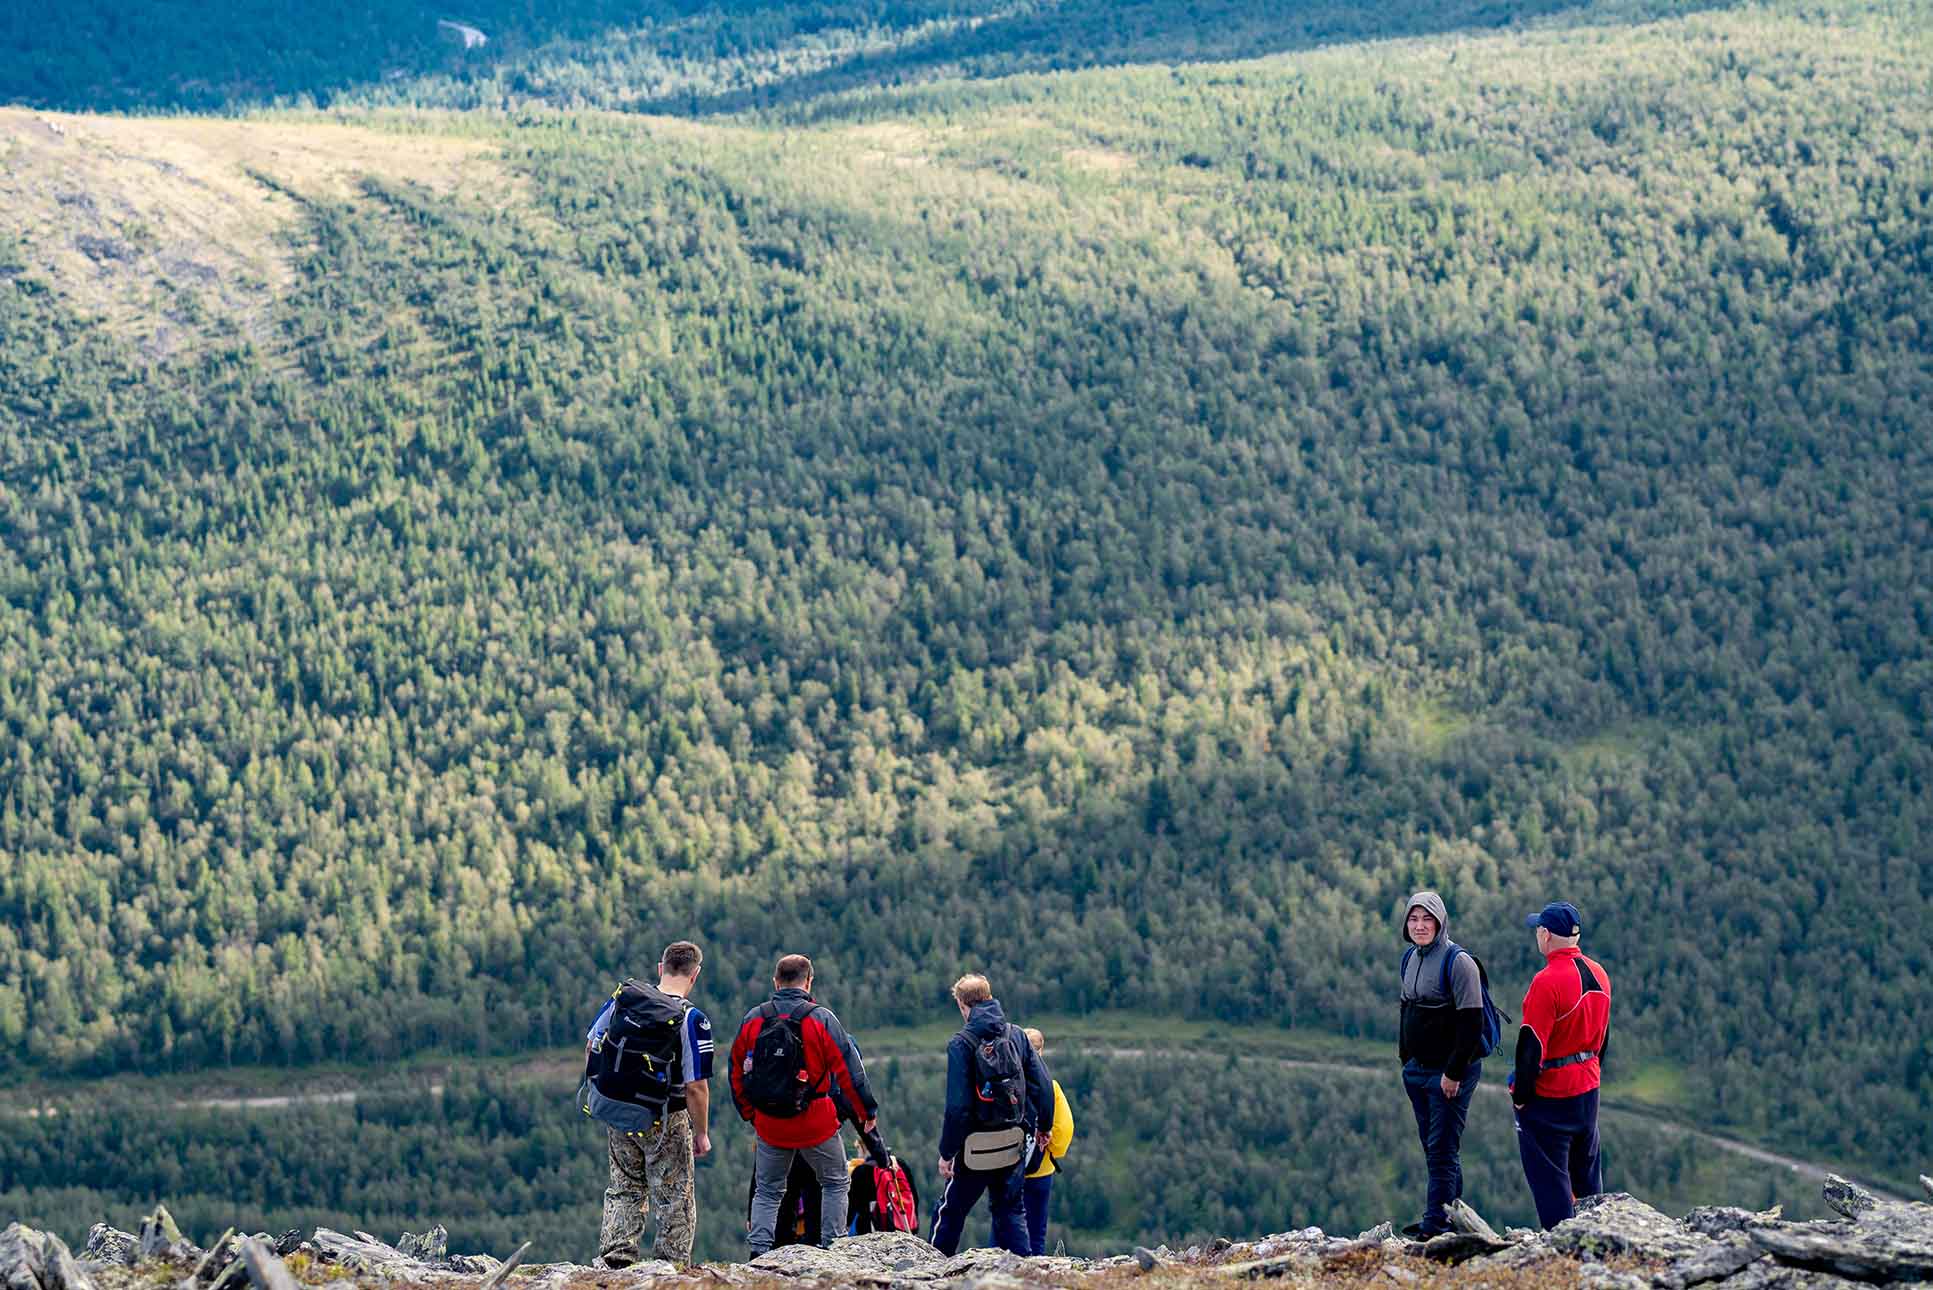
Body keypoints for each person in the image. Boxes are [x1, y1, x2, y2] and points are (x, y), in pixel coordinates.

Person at [730, 953, 879, 1256]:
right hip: (816, 1123)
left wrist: (751, 1114)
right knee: (835, 1182)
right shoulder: (821, 1018)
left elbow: (736, 1072)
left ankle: (759, 1253)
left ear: (776, 982)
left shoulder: (753, 1019)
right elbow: (850, 1072)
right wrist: (867, 1112)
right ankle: (833, 1247)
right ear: (809, 981)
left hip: (771, 1125)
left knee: (768, 1190)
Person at [583, 941, 715, 1268]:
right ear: (694, 975)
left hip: (618, 1109)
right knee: (674, 1196)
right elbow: (696, 1086)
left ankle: (616, 1261)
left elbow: (591, 1046)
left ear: (661, 967)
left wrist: (607, 1092)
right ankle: (670, 1269)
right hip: (665, 1116)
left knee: (624, 1188)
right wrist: (701, 1133)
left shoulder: (624, 1000)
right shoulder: (691, 1019)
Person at [930, 974, 1054, 1256]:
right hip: (1012, 1142)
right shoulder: (1017, 1035)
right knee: (1011, 1211)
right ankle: (1026, 1272)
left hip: (975, 1148)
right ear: (989, 997)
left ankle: (934, 1272)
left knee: (951, 1212)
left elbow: (958, 1108)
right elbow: (1043, 1086)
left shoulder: (962, 1043)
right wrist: (1043, 1127)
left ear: (963, 1006)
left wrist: (947, 1152)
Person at [1511, 901, 1613, 1229]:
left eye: (1539, 929)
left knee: (1551, 1180)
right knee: (1586, 1177)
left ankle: (1562, 1250)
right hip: (1588, 1090)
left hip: (1551, 1097)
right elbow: (1603, 1039)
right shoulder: (1600, 973)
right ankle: (1597, 1239)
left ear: (1545, 935)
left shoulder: (1547, 981)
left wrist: (1521, 1095)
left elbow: (1531, 1047)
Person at [1397, 891, 1487, 1238]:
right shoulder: (1410, 958)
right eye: (1413, 919)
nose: (1419, 926)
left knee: (1441, 1152)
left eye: (1427, 919)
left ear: (1440, 922)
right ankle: (1453, 1218)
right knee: (1436, 1149)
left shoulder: (1458, 962)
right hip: (1417, 1071)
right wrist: (1406, 1060)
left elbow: (1472, 1024)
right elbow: (1407, 1009)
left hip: (1449, 1075)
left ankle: (1434, 1228)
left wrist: (1453, 1074)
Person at [1019, 1027, 1073, 1257]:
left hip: (1009, 1168)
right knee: (1036, 1233)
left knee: (1003, 1225)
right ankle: (1036, 1276)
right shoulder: (1051, 1087)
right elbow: (1064, 1128)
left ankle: (997, 1275)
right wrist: (1051, 1149)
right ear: (1042, 1052)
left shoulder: (1008, 1084)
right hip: (1042, 1169)